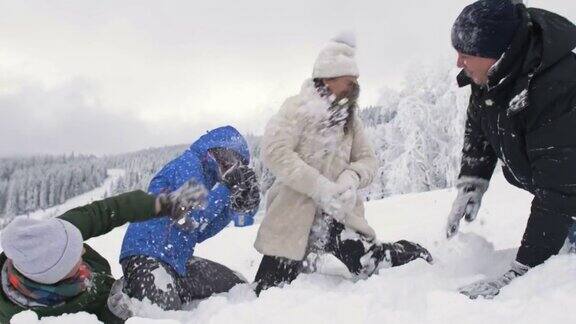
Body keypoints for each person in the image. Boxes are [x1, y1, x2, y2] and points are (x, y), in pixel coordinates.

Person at [253, 33, 433, 295]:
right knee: (268, 293)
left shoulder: (351, 120)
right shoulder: (295, 109)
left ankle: (411, 250)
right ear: (327, 78)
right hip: (293, 216)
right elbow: (275, 152)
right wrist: (319, 187)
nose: (355, 86)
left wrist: (352, 177)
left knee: (370, 265)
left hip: (338, 215)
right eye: (349, 81)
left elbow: (368, 160)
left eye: (356, 80)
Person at [446, 0, 576, 299]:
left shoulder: (558, 87)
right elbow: (480, 123)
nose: (458, 63)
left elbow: (560, 189)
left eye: (466, 55)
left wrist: (523, 270)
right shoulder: (492, 75)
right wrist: (472, 182)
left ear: (499, 52)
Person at [0, 179, 208, 323]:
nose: (82, 251)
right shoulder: (26, 318)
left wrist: (161, 204)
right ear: (56, 277)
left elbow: (106, 211)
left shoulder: (53, 236)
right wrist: (112, 316)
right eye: (72, 256)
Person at [114, 126, 260, 317]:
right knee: (161, 316)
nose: (228, 167)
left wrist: (232, 209)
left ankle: (148, 289)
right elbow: (189, 216)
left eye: (235, 165)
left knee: (236, 284)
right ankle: (128, 292)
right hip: (146, 256)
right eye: (226, 159)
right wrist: (225, 189)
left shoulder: (207, 183)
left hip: (176, 263)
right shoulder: (188, 165)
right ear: (211, 149)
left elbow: (198, 231)